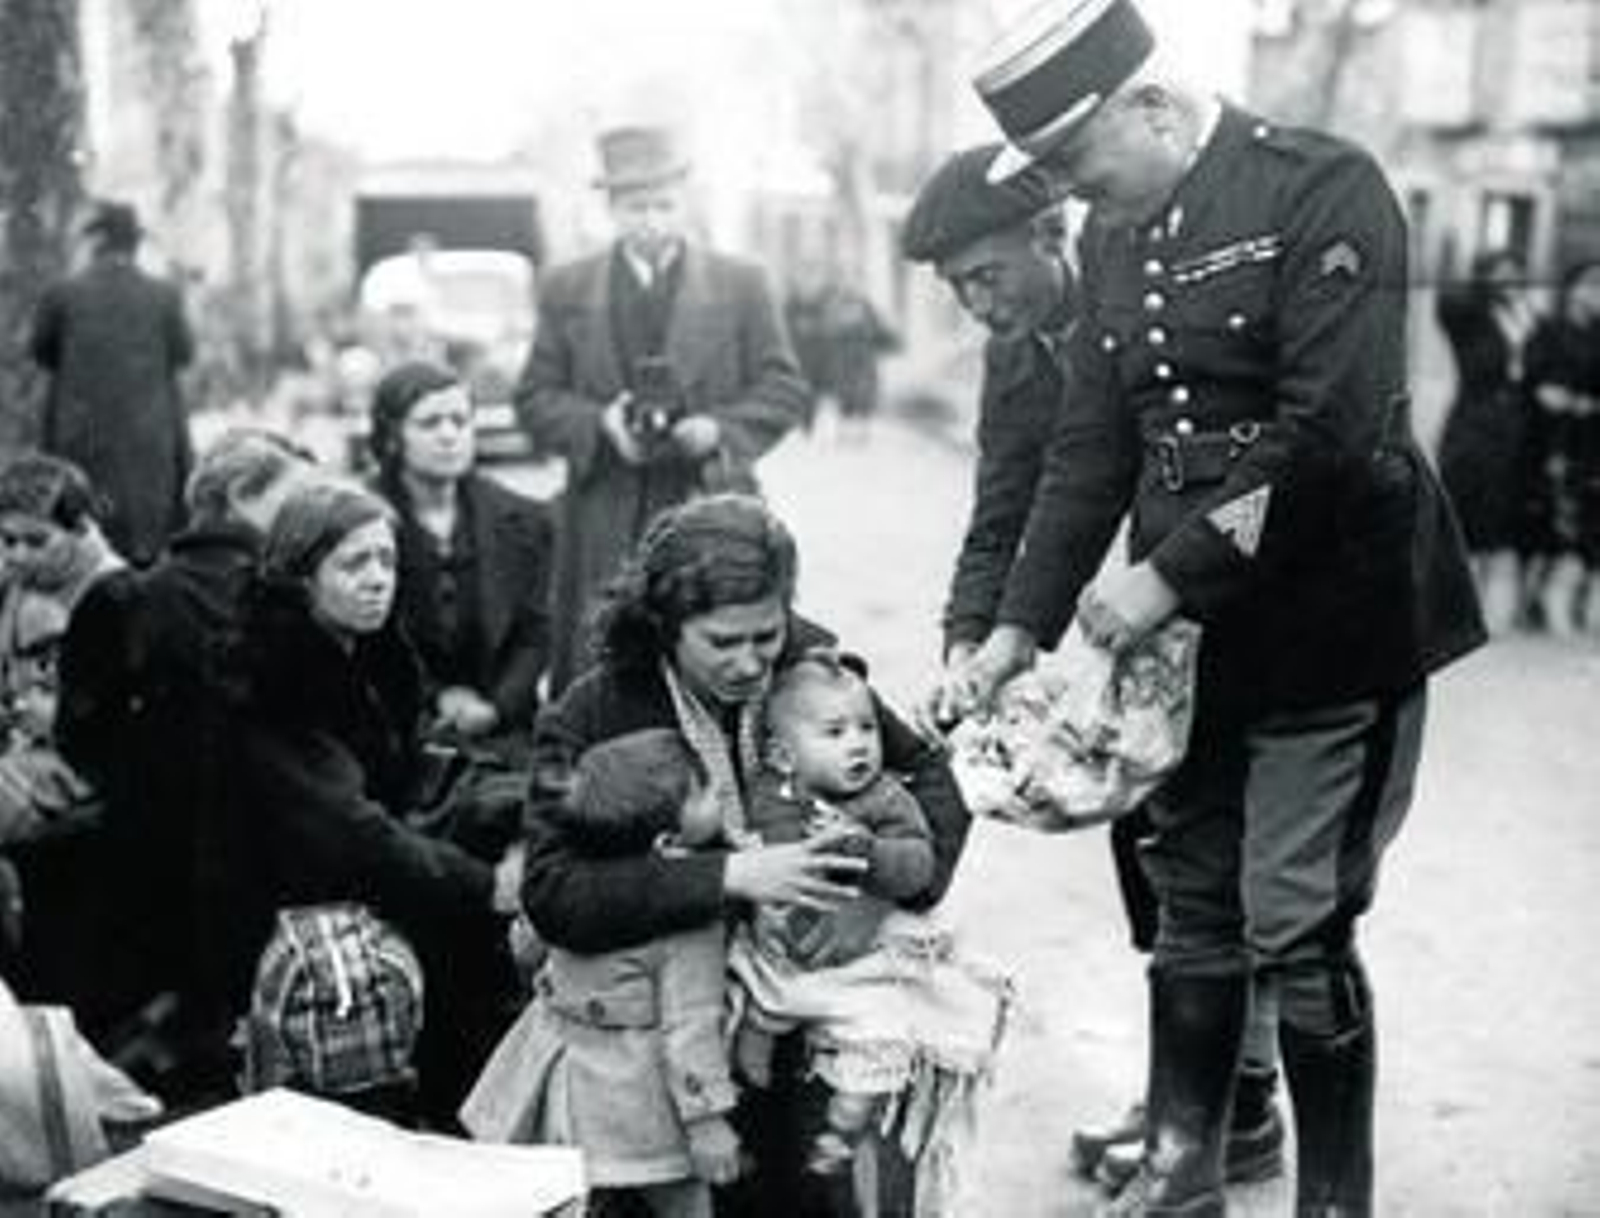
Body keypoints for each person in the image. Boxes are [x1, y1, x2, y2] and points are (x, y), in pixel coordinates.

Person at [959, 1, 1486, 1213]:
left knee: (1295, 916)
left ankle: (1334, 1197)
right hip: (1194, 643)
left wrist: (1163, 577)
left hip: (1333, 618)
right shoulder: (1110, 237)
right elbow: (1091, 447)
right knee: (1189, 891)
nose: (1081, 196)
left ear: (1152, 104)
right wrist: (1012, 628)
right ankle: (1187, 1158)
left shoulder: (1322, 189)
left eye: (1082, 161)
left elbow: (1336, 436)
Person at [901, 140, 1285, 1198]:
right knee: (1153, 858)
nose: (976, 303)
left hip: (1231, 602)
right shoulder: (1017, 357)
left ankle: (1229, 1107)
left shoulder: (1148, 305)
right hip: (1135, 639)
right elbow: (1001, 510)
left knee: (1231, 867)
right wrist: (968, 645)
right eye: (955, 289)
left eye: (985, 275)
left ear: (1050, 233)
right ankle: (1198, 1099)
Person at [518, 493, 972, 1218]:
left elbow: (931, 783)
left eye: (766, 634)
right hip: (664, 1045)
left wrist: (877, 894)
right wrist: (730, 875)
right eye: (722, 642)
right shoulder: (594, 712)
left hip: (803, 1020)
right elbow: (553, 891)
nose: (750, 663)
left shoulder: (807, 666)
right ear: (665, 626)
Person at [221, 480, 524, 1126]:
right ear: (301, 576)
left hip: (359, 887)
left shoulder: (373, 654)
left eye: (387, 561)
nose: (377, 579)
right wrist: (481, 885)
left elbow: (421, 766)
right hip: (294, 916)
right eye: (353, 563)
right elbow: (345, 832)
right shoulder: (271, 676)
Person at [55, 428, 313, 1098]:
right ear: (242, 500)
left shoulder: (126, 599)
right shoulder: (291, 600)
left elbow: (81, 733)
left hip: (146, 881)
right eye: (292, 502)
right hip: (272, 874)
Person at [514, 124, 810, 693]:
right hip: (603, 505)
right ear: (609, 207)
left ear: (685, 201)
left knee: (719, 649)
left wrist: (717, 429)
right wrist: (599, 425)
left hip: (710, 498)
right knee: (603, 664)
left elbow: (784, 386)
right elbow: (534, 396)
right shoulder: (567, 287)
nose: (650, 220)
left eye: (662, 204)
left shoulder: (741, 283)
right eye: (634, 207)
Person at [727, 650, 1006, 1188]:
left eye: (867, 728)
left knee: (874, 1028)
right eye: (834, 732)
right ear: (784, 755)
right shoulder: (771, 792)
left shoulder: (884, 799)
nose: (858, 743)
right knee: (757, 995)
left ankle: (844, 1126)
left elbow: (920, 862)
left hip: (856, 956)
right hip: (782, 947)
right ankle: (755, 1050)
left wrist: (874, 857)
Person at [465, 728, 739, 1218]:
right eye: (703, 791)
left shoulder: (576, 883)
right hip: (635, 1085)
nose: (717, 792)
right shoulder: (690, 917)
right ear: (667, 843)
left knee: (557, 1189)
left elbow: (528, 947)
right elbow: (691, 1024)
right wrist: (707, 1123)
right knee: (681, 1197)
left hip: (556, 1058)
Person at [368, 360, 555, 766]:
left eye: (460, 420)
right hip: (399, 729)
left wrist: (497, 708)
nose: (449, 435)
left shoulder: (522, 519)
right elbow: (368, 641)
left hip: (507, 731)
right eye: (430, 423)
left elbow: (535, 631)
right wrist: (436, 698)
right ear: (392, 435)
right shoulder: (363, 522)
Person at [0, 455, 127, 1035]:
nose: (18, 555)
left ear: (80, 529)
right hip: (28, 755)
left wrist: (43, 713)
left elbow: (109, 728)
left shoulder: (115, 596)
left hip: (83, 776)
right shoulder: (22, 587)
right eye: (7, 540)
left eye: (35, 540)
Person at [30, 200, 195, 566]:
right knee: (147, 545)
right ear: (135, 245)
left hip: (80, 436)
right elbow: (184, 354)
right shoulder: (163, 295)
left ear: (97, 243)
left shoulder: (63, 294)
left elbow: (40, 352)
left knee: (81, 532)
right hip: (148, 439)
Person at [1434, 249, 1541, 633]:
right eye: (1500, 273)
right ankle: (1454, 607)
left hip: (1514, 423)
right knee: (1467, 506)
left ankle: (1484, 610)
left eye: (1515, 273)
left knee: (1501, 512)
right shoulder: (1470, 316)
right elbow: (1447, 300)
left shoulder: (1523, 315)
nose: (1509, 281)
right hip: (1475, 420)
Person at [1519, 260, 1600, 636]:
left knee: (1584, 521)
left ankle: (1569, 602)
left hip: (1590, 439)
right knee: (1549, 517)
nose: (1595, 293)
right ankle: (1533, 599)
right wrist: (1560, 399)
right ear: (1572, 288)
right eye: (1590, 285)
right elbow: (1536, 385)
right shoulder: (1549, 330)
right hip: (1552, 437)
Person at [783, 257, 899, 443]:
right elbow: (819, 329)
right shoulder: (815, 304)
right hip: (834, 362)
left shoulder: (860, 305)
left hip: (856, 362)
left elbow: (879, 331)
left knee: (859, 397)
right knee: (840, 396)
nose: (850, 285)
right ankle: (838, 430)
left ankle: (855, 431)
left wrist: (889, 343)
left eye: (855, 279)